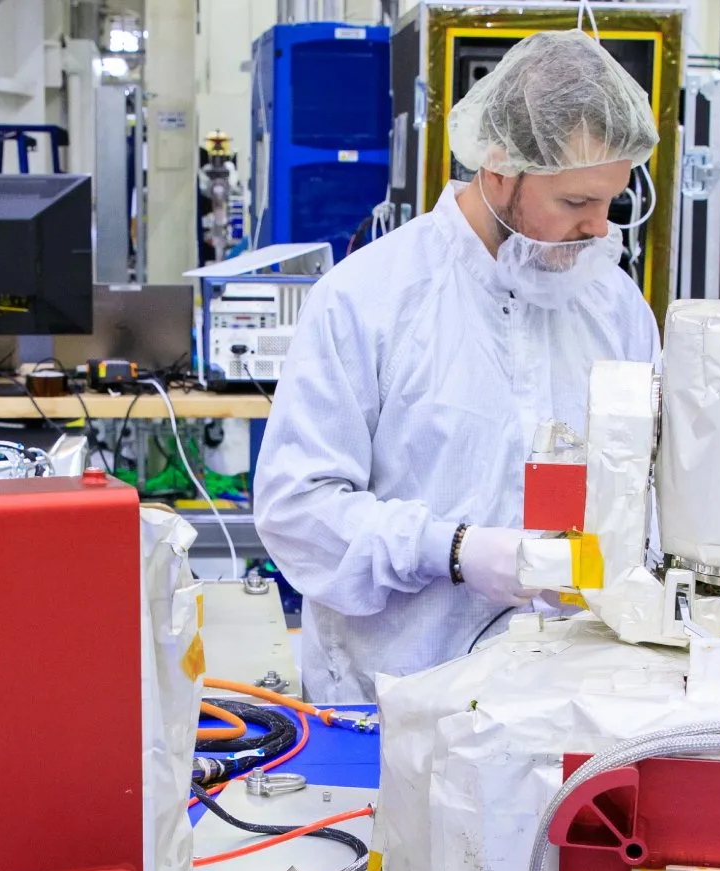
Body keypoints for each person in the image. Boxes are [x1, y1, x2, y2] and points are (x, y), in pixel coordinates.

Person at [253, 30, 661, 701]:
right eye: (575, 203)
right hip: (397, 706)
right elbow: (299, 512)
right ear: (499, 167)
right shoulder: (371, 300)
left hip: (568, 704)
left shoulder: (611, 306)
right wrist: (455, 550)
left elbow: (648, 489)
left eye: (610, 201)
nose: (599, 228)